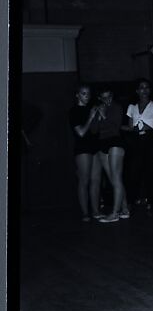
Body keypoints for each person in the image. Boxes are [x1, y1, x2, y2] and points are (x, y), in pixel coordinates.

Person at [124, 79, 153, 214]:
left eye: (147, 87)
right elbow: (130, 127)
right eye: (141, 87)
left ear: (150, 90)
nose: (144, 90)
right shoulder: (131, 107)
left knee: (150, 171)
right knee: (133, 172)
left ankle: (150, 202)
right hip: (136, 140)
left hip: (150, 139)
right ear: (137, 91)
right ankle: (131, 201)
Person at [90, 86, 129, 223]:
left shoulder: (116, 107)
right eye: (104, 97)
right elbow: (94, 131)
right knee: (113, 180)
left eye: (109, 96)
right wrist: (96, 116)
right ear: (100, 98)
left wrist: (104, 115)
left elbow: (115, 126)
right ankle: (125, 209)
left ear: (112, 96)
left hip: (115, 142)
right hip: (102, 143)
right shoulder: (98, 108)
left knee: (117, 178)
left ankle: (115, 213)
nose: (107, 99)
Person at [68, 84, 102, 221]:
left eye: (88, 93)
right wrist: (91, 117)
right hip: (82, 148)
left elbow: (98, 129)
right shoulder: (74, 111)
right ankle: (85, 213)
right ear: (77, 95)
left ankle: (95, 211)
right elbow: (81, 132)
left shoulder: (92, 108)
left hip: (95, 146)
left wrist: (98, 117)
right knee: (84, 180)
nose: (86, 96)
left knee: (96, 180)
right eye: (83, 93)